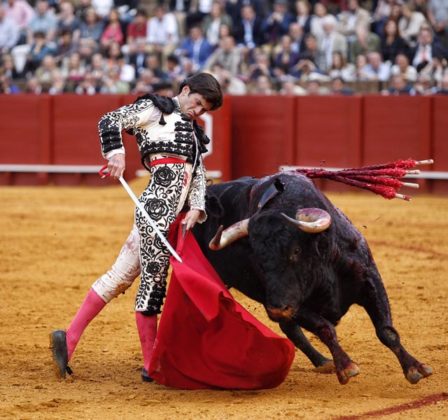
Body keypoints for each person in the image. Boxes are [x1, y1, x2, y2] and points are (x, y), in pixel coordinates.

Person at [50, 72, 223, 383]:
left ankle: (68, 338)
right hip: (155, 208)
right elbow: (110, 120)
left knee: (119, 277)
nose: (199, 112)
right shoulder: (155, 111)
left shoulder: (194, 133)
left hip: (176, 216)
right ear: (185, 90)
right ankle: (151, 363)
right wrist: (116, 154)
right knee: (154, 281)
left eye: (204, 110)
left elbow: (197, 173)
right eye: (198, 103)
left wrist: (197, 206)